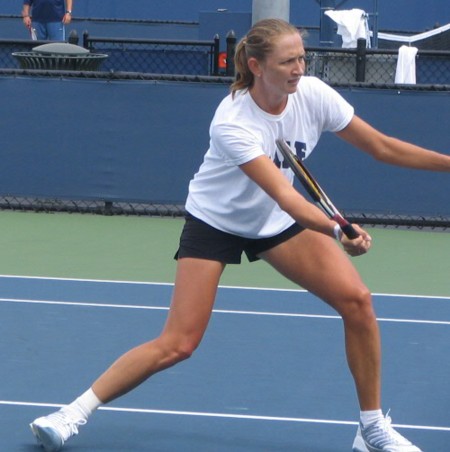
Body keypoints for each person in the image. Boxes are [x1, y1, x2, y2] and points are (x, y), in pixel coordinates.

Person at [29, 19, 449, 452]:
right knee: (179, 343)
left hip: (273, 224)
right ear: (256, 65)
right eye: (288, 61)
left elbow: (383, 147)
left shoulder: (313, 95)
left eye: (302, 58)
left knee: (357, 302)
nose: (299, 68)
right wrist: (337, 228)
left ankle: (371, 428)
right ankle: (71, 414)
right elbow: (288, 198)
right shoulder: (232, 121)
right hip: (216, 222)